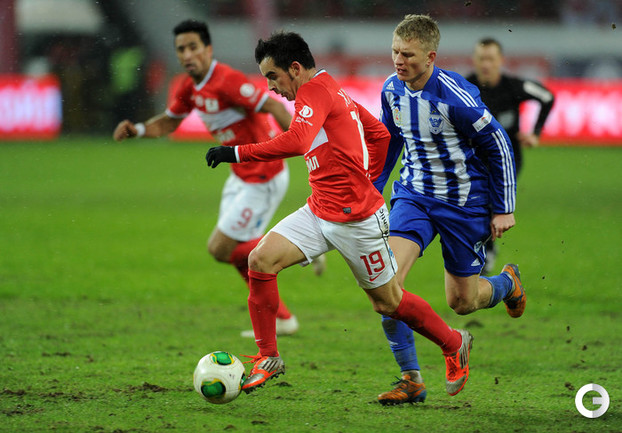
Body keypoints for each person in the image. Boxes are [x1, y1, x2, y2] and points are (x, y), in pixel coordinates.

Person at [206, 31, 474, 397]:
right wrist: (369, 179)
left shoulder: (314, 92)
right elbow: (379, 135)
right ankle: (269, 358)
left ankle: (453, 343)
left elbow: (299, 140)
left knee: (388, 302)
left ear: (295, 68)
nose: (270, 87)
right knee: (260, 260)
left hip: (357, 221)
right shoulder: (330, 88)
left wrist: (236, 152)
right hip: (319, 209)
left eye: (272, 76)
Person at [112, 19, 313, 337]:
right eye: (181, 49)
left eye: (193, 47)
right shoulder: (189, 88)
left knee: (220, 248)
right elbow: (168, 123)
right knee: (232, 252)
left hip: (263, 174)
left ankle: (298, 247)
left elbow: (274, 107)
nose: (187, 55)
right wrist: (136, 129)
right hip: (239, 175)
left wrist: (306, 143)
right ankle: (283, 317)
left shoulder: (227, 81)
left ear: (208, 49)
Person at [373, 15, 526, 406]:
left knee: (462, 302)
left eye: (408, 54)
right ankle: (411, 378)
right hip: (414, 197)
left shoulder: (456, 96)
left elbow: (499, 144)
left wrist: (503, 208)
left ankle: (507, 283)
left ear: (430, 57)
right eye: (395, 52)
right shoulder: (391, 89)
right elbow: (389, 140)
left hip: (464, 205)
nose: (399, 60)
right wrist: (373, 188)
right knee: (386, 285)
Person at [467, 37, 554, 274]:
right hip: (475, 159)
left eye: (490, 59)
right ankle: (486, 250)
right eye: (481, 59)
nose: (486, 64)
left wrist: (535, 133)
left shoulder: (513, 86)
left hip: (508, 160)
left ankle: (486, 251)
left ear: (500, 61)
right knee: (477, 205)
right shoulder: (465, 87)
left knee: (490, 203)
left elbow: (547, 97)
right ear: (475, 60)